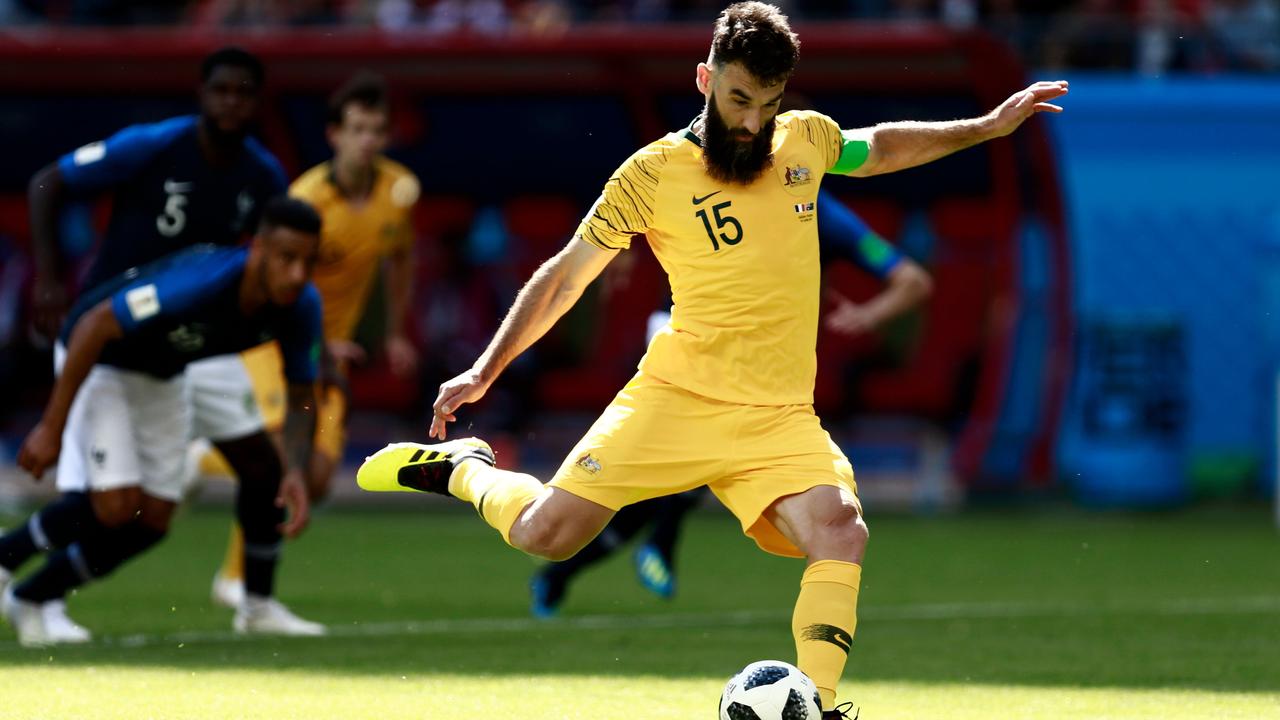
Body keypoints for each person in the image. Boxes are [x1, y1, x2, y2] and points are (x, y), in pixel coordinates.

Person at [357, 3, 1067, 716]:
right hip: (676, 398)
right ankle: (463, 469)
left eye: (767, 103)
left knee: (841, 529)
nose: (753, 121)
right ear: (705, 79)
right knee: (547, 535)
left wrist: (984, 127)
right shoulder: (652, 173)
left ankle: (813, 705)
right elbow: (568, 275)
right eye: (737, 100)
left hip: (778, 417)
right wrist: (486, 368)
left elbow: (877, 146)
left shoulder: (805, 141)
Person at [529, 187, 934, 618]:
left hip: (761, 372)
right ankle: (658, 540)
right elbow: (637, 206)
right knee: (688, 462)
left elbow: (913, 280)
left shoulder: (821, 215)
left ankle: (576, 569)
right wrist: (621, 249)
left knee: (679, 473)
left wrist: (866, 316)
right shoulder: (728, 181)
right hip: (686, 349)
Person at [24, 47, 306, 620]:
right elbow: (47, 183)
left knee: (256, 466)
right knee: (109, 505)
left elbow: (277, 261)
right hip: (116, 334)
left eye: (244, 93)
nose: (231, 102)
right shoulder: (153, 145)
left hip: (199, 343)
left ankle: (258, 603)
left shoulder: (264, 175)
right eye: (221, 90)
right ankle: (32, 594)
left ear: (256, 102)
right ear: (203, 94)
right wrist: (50, 279)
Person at [0, 197, 326, 647]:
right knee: (114, 505)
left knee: (150, 520)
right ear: (259, 249)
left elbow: (302, 393)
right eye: (287, 259)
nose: (298, 274)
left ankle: (31, 596)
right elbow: (96, 324)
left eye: (308, 262)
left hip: (166, 374)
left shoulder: (302, 304)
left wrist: (293, 468)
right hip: (101, 361)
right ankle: (5, 555)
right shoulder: (202, 284)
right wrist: (51, 427)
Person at [204, 72, 421, 608]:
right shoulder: (305, 201)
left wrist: (394, 332)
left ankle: (202, 458)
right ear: (334, 135)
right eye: (356, 129)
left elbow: (399, 258)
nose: (366, 140)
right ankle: (238, 580)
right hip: (280, 343)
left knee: (318, 476)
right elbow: (266, 281)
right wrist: (318, 336)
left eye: (376, 130)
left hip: (334, 353)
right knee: (283, 455)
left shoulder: (398, 192)